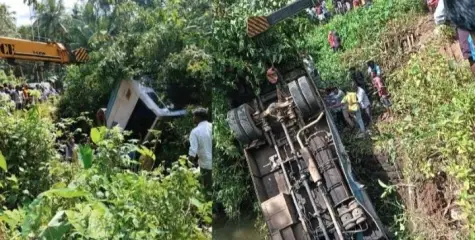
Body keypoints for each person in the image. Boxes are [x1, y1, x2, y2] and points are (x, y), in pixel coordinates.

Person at [188, 107, 212, 197]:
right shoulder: (212, 126)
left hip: (206, 166)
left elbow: (193, 151)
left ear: (198, 117)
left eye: (193, 116)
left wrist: (188, 164)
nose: (193, 118)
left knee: (207, 191)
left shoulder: (195, 132)